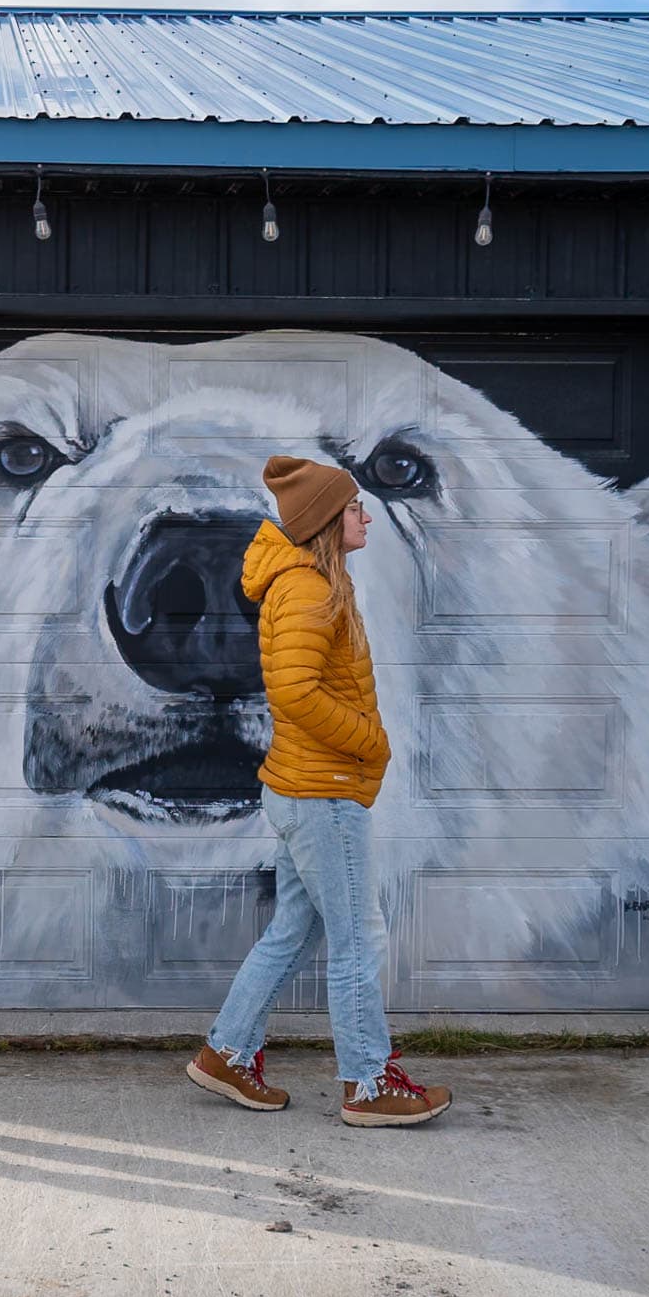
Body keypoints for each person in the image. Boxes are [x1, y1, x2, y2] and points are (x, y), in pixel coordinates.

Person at [187, 456, 451, 1128]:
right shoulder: (307, 590)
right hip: (321, 792)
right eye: (356, 507)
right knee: (360, 937)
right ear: (330, 522)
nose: (366, 516)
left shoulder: (315, 582)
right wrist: (371, 740)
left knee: (293, 932)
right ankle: (367, 1086)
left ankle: (226, 1053)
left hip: (307, 787)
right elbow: (295, 692)